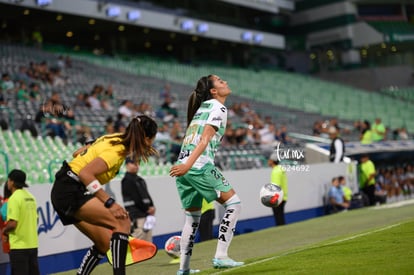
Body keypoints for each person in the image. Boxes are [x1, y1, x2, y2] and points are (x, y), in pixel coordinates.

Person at [50, 115, 158, 275]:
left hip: (66, 186)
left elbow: (76, 153)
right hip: (70, 189)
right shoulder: (116, 152)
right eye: (152, 140)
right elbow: (86, 174)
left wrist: (89, 150)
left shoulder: (113, 137)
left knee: (103, 244)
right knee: (122, 221)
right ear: (146, 139)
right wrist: (109, 203)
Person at [169, 75, 244, 274]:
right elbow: (204, 140)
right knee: (234, 204)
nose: (225, 81)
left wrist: (184, 166)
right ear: (213, 91)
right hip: (197, 166)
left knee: (191, 219)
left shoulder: (200, 110)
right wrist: (189, 165)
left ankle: (183, 269)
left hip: (183, 167)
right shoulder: (217, 107)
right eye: (220, 81)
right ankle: (221, 256)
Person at [2, 169, 40, 275]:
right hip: (32, 244)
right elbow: (36, 219)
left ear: (12, 182)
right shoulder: (31, 197)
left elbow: (13, 224)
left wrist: (4, 231)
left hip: (19, 246)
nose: (8, 183)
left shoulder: (14, 199)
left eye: (8, 180)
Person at [121, 157, 156, 243]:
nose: (136, 165)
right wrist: (147, 209)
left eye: (137, 163)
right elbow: (136, 198)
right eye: (133, 163)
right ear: (127, 165)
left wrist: (152, 206)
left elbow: (147, 195)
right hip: (137, 215)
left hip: (147, 215)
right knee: (139, 240)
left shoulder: (140, 180)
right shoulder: (126, 180)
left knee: (148, 241)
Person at [268, 152, 288, 226]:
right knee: (281, 216)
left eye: (269, 160)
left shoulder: (275, 171)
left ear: (272, 161)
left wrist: (273, 199)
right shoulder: (280, 170)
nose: (268, 161)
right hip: (283, 196)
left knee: (278, 218)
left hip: (278, 197)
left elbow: (276, 187)